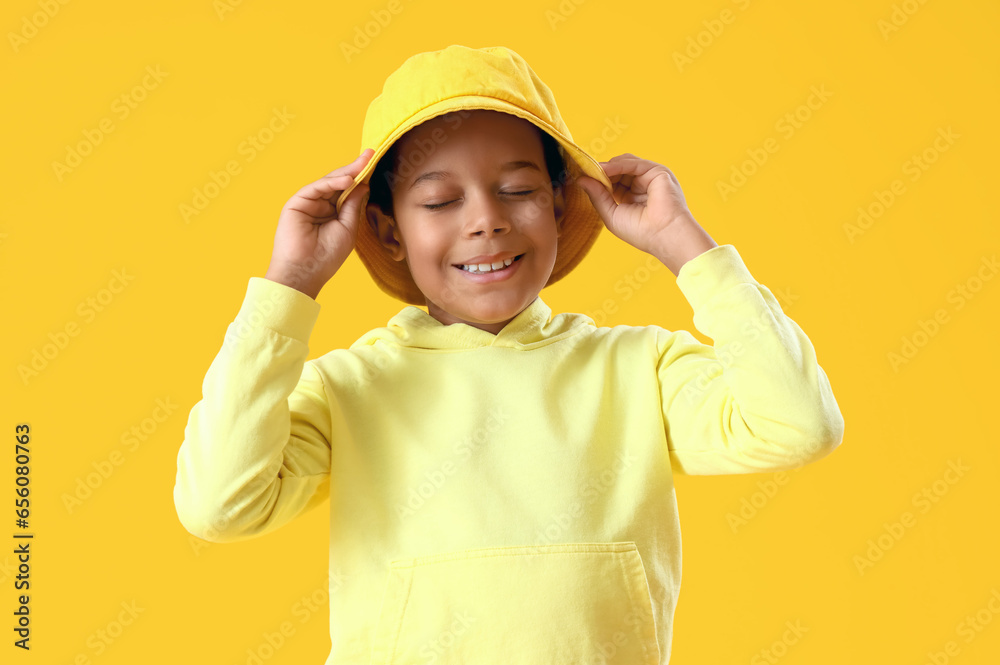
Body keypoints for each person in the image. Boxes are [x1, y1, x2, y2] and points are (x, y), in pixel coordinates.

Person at [173, 44, 844, 665]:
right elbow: (219, 504)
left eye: (518, 190)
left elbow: (799, 424)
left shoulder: (639, 368)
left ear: (558, 205)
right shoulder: (350, 387)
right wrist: (289, 286)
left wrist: (687, 247)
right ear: (388, 229)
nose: (485, 219)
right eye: (439, 199)